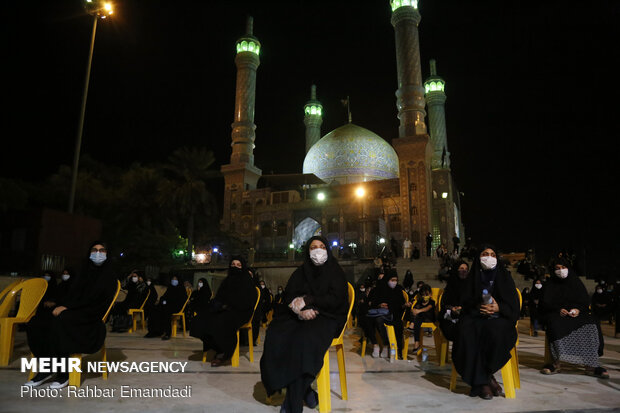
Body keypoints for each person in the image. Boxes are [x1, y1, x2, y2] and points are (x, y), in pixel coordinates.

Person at [260, 236, 348, 413]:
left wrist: (310, 300)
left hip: (327, 316)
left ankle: (292, 405)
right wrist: (299, 311)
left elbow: (336, 299)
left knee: (302, 342)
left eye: (322, 246)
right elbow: (289, 296)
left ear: (328, 249)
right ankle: (306, 392)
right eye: (313, 247)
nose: (318, 250)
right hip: (301, 315)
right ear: (307, 251)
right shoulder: (301, 272)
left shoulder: (335, 271)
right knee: (276, 334)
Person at [25, 241, 118, 389]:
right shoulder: (83, 272)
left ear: (107, 254)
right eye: (94, 250)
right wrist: (62, 305)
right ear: (89, 253)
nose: (98, 253)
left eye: (102, 250)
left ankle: (63, 374)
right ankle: (47, 368)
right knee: (37, 322)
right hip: (73, 310)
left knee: (62, 321)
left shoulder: (109, 276)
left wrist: (68, 307)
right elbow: (72, 294)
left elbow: (96, 300)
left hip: (91, 316)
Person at [452, 245, 519, 400]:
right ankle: (486, 380)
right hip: (476, 317)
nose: (489, 257)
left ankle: (483, 381)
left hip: (500, 318)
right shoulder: (473, 277)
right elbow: (466, 302)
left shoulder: (504, 277)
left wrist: (498, 307)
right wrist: (478, 307)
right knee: (466, 331)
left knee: (494, 331)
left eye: (492, 254)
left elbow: (513, 306)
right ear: (478, 257)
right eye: (485, 254)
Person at [540, 257, 609, 378]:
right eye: (557, 268)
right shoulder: (550, 284)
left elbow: (584, 301)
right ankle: (555, 363)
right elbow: (545, 303)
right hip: (557, 314)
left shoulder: (575, 281)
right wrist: (558, 309)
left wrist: (577, 310)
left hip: (576, 314)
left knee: (591, 322)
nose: (561, 271)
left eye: (563, 267)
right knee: (554, 323)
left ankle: (590, 365)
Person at [191, 256, 258, 366]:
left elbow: (247, 301)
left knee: (223, 321)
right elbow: (219, 297)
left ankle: (225, 353)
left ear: (243, 267)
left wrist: (229, 305)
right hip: (225, 309)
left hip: (241, 312)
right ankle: (215, 346)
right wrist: (216, 305)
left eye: (238, 265)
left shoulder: (247, 281)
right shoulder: (227, 281)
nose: (235, 267)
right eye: (233, 264)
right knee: (201, 318)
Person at [363, 269, 405, 358]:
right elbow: (372, 301)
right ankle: (375, 344)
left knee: (379, 320)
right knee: (366, 319)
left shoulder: (398, 289)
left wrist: (390, 306)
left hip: (391, 314)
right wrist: (379, 305)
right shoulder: (380, 288)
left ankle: (386, 345)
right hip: (379, 312)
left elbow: (399, 304)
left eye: (395, 280)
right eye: (392, 280)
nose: (394, 282)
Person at [144, 275, 187, 340]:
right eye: (173, 279)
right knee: (154, 309)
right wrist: (164, 301)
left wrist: (169, 303)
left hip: (176, 307)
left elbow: (182, 300)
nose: (174, 281)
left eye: (175, 279)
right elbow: (164, 297)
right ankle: (153, 331)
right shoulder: (170, 288)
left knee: (166, 311)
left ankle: (167, 333)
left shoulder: (181, 289)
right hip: (167, 305)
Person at [439, 261, 470, 342]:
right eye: (461, 268)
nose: (464, 271)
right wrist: (452, 308)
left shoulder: (470, 286)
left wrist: (463, 308)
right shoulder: (450, 286)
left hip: (467, 316)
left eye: (466, 269)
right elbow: (444, 304)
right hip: (450, 317)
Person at [405, 284, 435, 351]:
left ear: (430, 294)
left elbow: (427, 308)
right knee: (416, 318)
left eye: (426, 294)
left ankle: (412, 325)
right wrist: (414, 310)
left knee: (417, 317)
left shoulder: (432, 302)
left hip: (429, 318)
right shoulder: (419, 301)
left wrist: (418, 311)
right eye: (423, 295)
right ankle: (416, 343)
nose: (425, 296)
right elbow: (414, 309)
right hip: (419, 319)